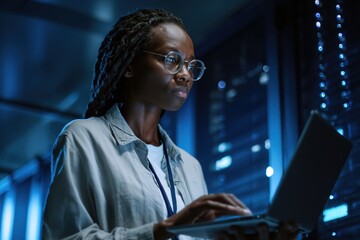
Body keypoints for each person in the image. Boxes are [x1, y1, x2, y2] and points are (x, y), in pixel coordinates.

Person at [42, 8, 299, 240]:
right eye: (172, 60)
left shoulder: (190, 166)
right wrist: (161, 230)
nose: (185, 74)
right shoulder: (83, 138)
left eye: (190, 65)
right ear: (130, 65)